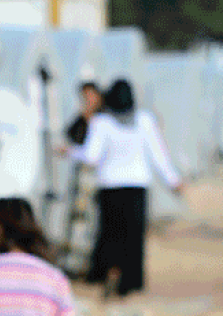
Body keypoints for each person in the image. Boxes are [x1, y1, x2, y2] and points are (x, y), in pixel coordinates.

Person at [71, 79, 182, 299]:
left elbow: (91, 157)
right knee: (133, 237)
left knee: (110, 234)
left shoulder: (102, 122)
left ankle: (106, 274)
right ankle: (130, 282)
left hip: (109, 188)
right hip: (136, 188)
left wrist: (71, 152)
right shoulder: (144, 121)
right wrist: (173, 181)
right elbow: (158, 155)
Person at [66, 81, 101, 148]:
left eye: (90, 95)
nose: (88, 100)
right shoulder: (80, 120)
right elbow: (72, 138)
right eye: (85, 96)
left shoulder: (107, 117)